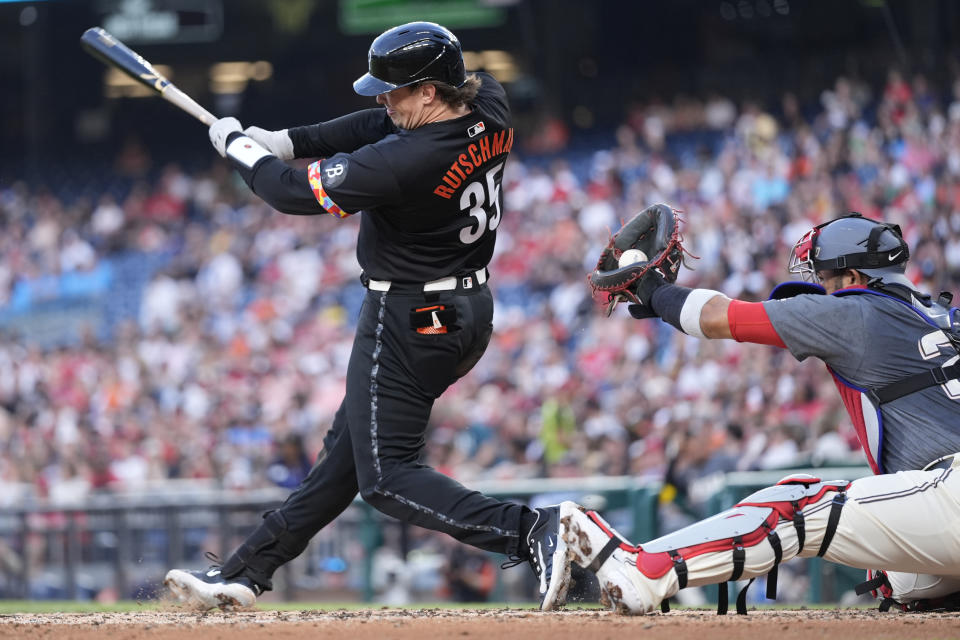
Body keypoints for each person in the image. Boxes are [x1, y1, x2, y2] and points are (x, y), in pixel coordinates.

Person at [164, 22, 573, 610]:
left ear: (430, 92)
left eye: (395, 89)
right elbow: (374, 123)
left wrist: (244, 151)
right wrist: (286, 137)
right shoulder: (489, 103)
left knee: (384, 478)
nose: (383, 98)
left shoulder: (406, 162)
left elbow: (290, 194)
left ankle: (532, 530)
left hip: (407, 315)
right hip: (467, 311)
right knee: (345, 461)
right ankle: (244, 573)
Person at [561, 212, 960, 614]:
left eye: (823, 276)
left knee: (796, 504)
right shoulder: (946, 320)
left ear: (853, 277)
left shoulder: (856, 311)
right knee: (908, 580)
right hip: (945, 499)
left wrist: (653, 290)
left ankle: (646, 569)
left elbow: (720, 318)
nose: (820, 287)